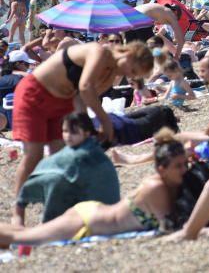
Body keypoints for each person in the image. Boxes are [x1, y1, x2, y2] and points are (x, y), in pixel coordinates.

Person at [11, 42, 154, 210]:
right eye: (133, 71)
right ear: (129, 56)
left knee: (63, 157)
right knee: (33, 157)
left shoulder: (109, 77)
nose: (130, 76)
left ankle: (58, 206)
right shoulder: (98, 51)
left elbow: (80, 99)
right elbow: (85, 88)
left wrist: (87, 130)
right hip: (35, 93)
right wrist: (106, 123)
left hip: (63, 102)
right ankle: (18, 212)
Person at [0, 129, 187, 246]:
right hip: (88, 222)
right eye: (178, 166)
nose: (184, 169)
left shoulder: (167, 185)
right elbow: (171, 228)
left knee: (25, 234)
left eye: (185, 164)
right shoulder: (156, 187)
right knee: (21, 239)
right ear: (161, 169)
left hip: (92, 215)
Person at [16, 111, 121, 224]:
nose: (68, 136)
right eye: (65, 131)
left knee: (55, 181)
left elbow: (47, 168)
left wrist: (22, 199)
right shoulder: (92, 149)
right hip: (109, 210)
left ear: (86, 133)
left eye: (74, 132)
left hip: (98, 216)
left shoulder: (83, 155)